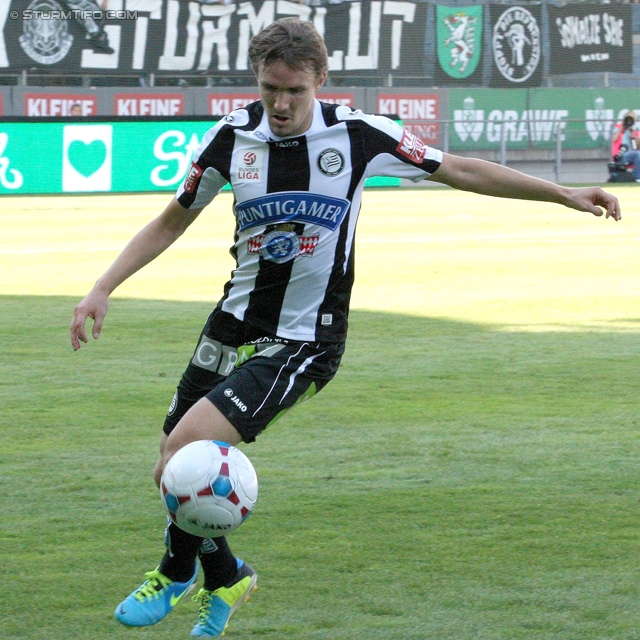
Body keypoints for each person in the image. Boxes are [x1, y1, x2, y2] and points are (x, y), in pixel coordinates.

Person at [69, 17, 621, 639]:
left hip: (306, 340)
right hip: (230, 326)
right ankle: (226, 579)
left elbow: (460, 169)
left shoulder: (359, 136)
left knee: (185, 449)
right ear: (257, 81)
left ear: (321, 82)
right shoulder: (231, 139)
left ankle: (176, 573)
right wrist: (102, 287)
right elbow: (172, 220)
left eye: (294, 91)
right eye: (269, 89)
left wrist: (560, 193)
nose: (279, 104)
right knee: (169, 468)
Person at [611, 110, 640, 181]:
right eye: (629, 118)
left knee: (638, 154)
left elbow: (636, 147)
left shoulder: (635, 131)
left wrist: (633, 135)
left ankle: (637, 177)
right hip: (619, 155)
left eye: (633, 118)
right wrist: (622, 127)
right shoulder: (618, 127)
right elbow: (614, 139)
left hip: (631, 155)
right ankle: (637, 177)